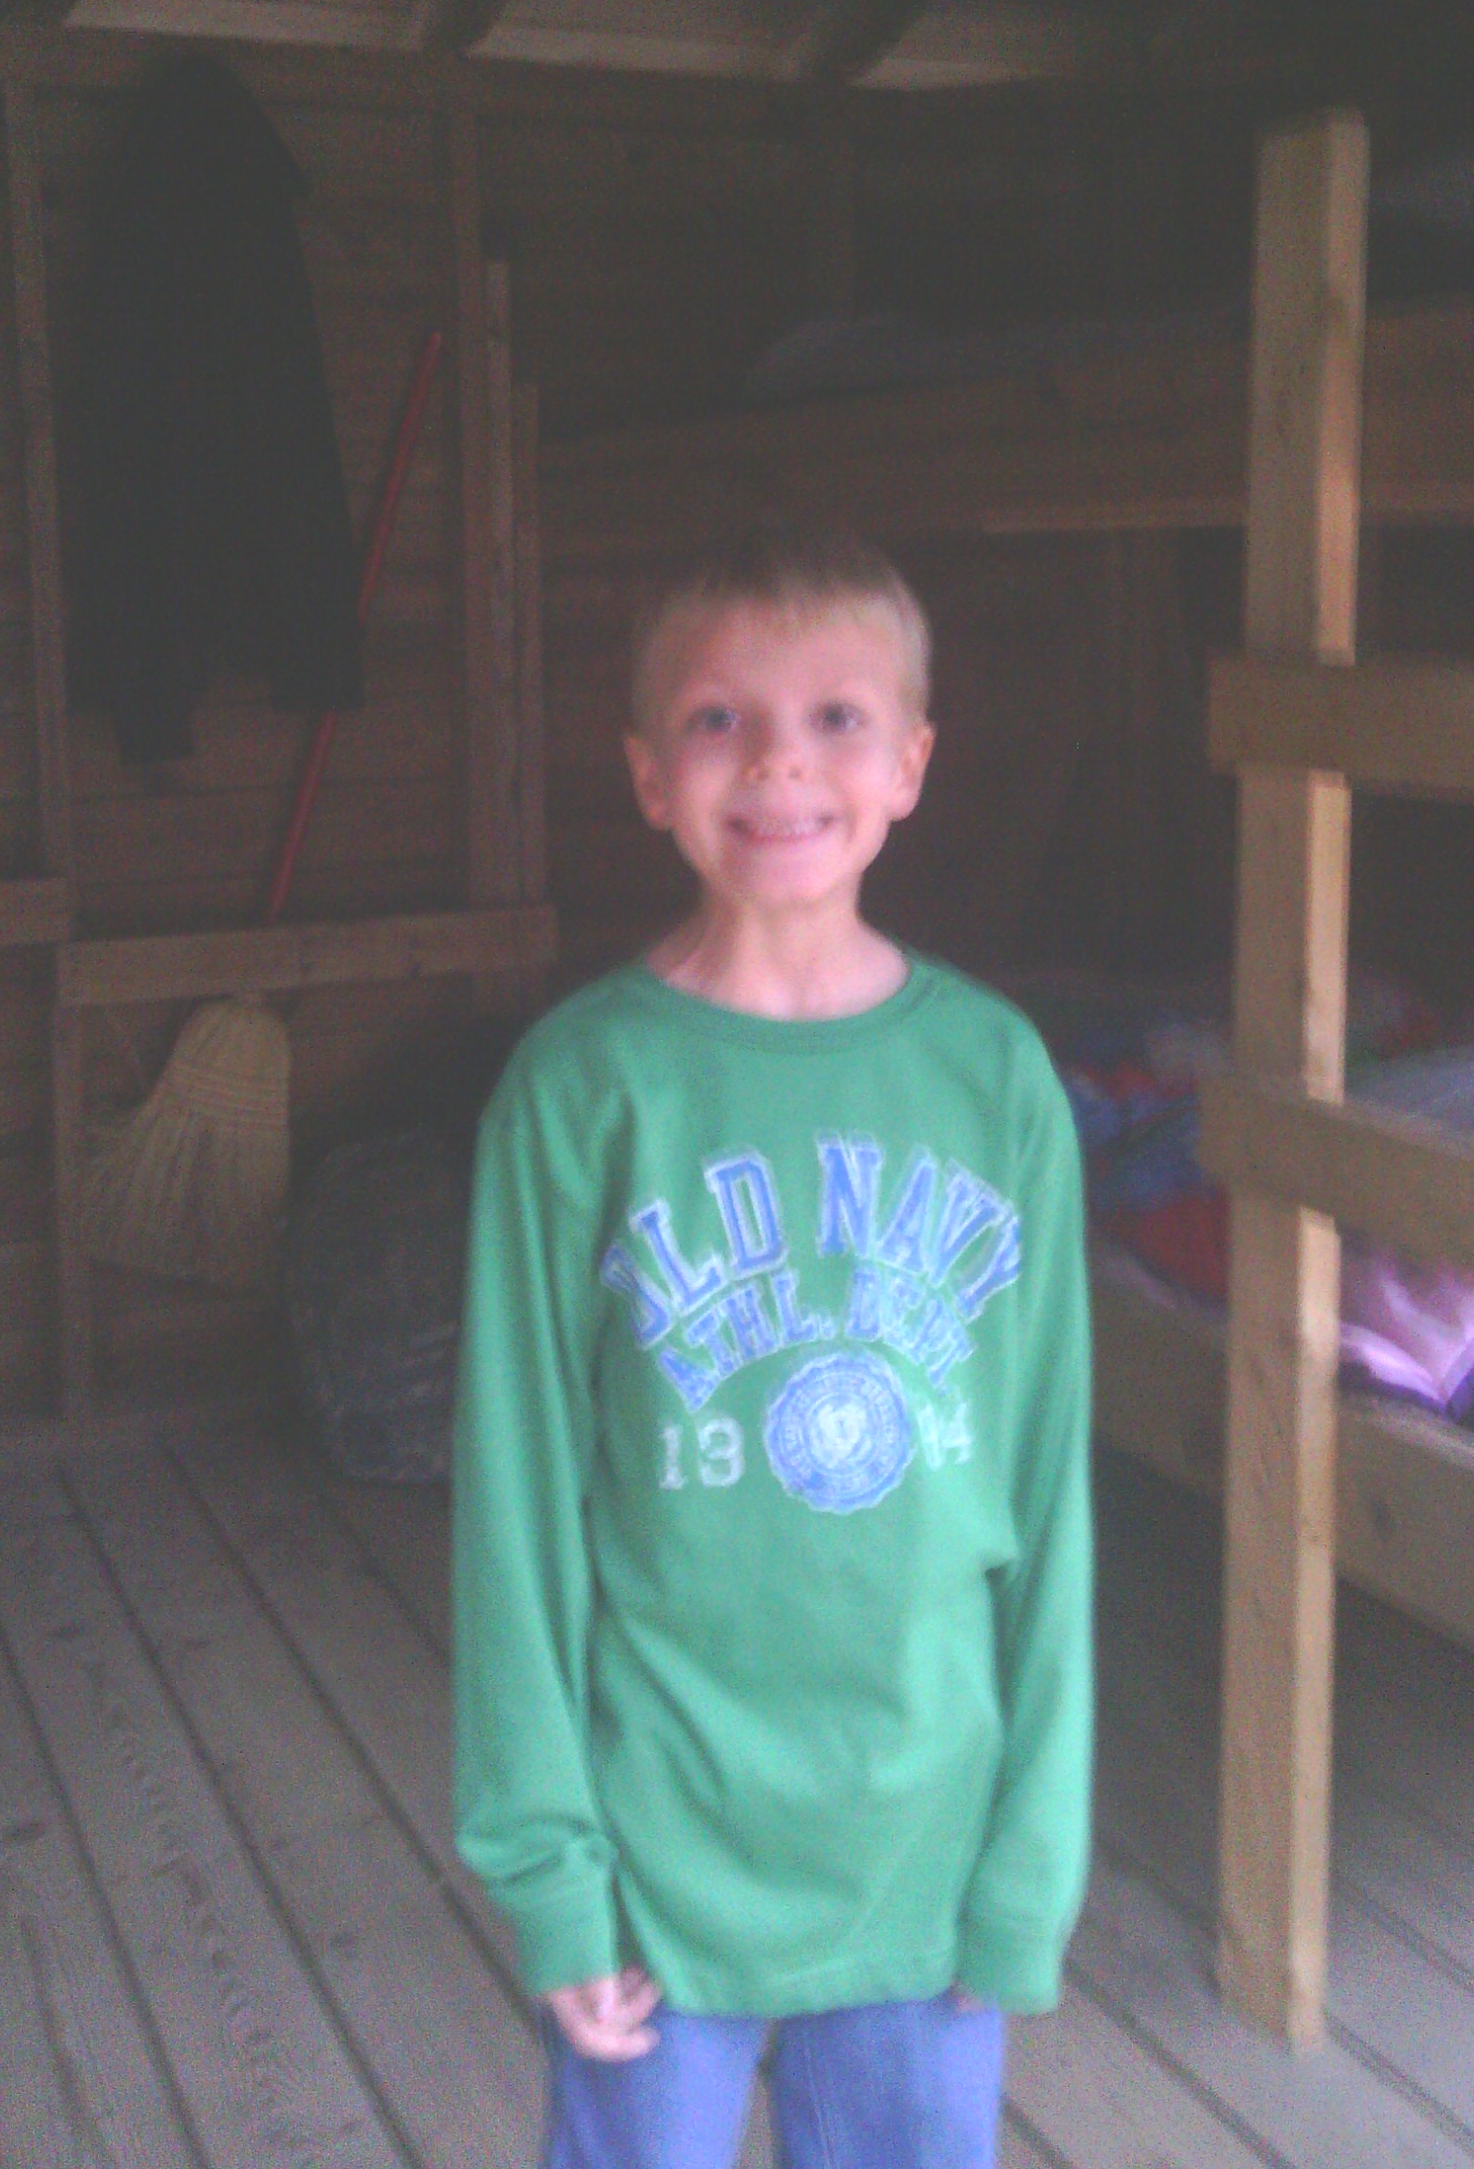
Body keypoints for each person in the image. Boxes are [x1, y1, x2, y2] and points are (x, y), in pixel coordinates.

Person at [453, 527, 1093, 2169]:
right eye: (719, 719)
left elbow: (1049, 1500)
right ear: (647, 775)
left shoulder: (996, 1079)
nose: (779, 764)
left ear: (912, 763)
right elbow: (516, 1513)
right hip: (657, 1860)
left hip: (924, 1853)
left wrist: (1028, 1868)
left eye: (835, 718)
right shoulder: (581, 1089)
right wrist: (552, 1872)